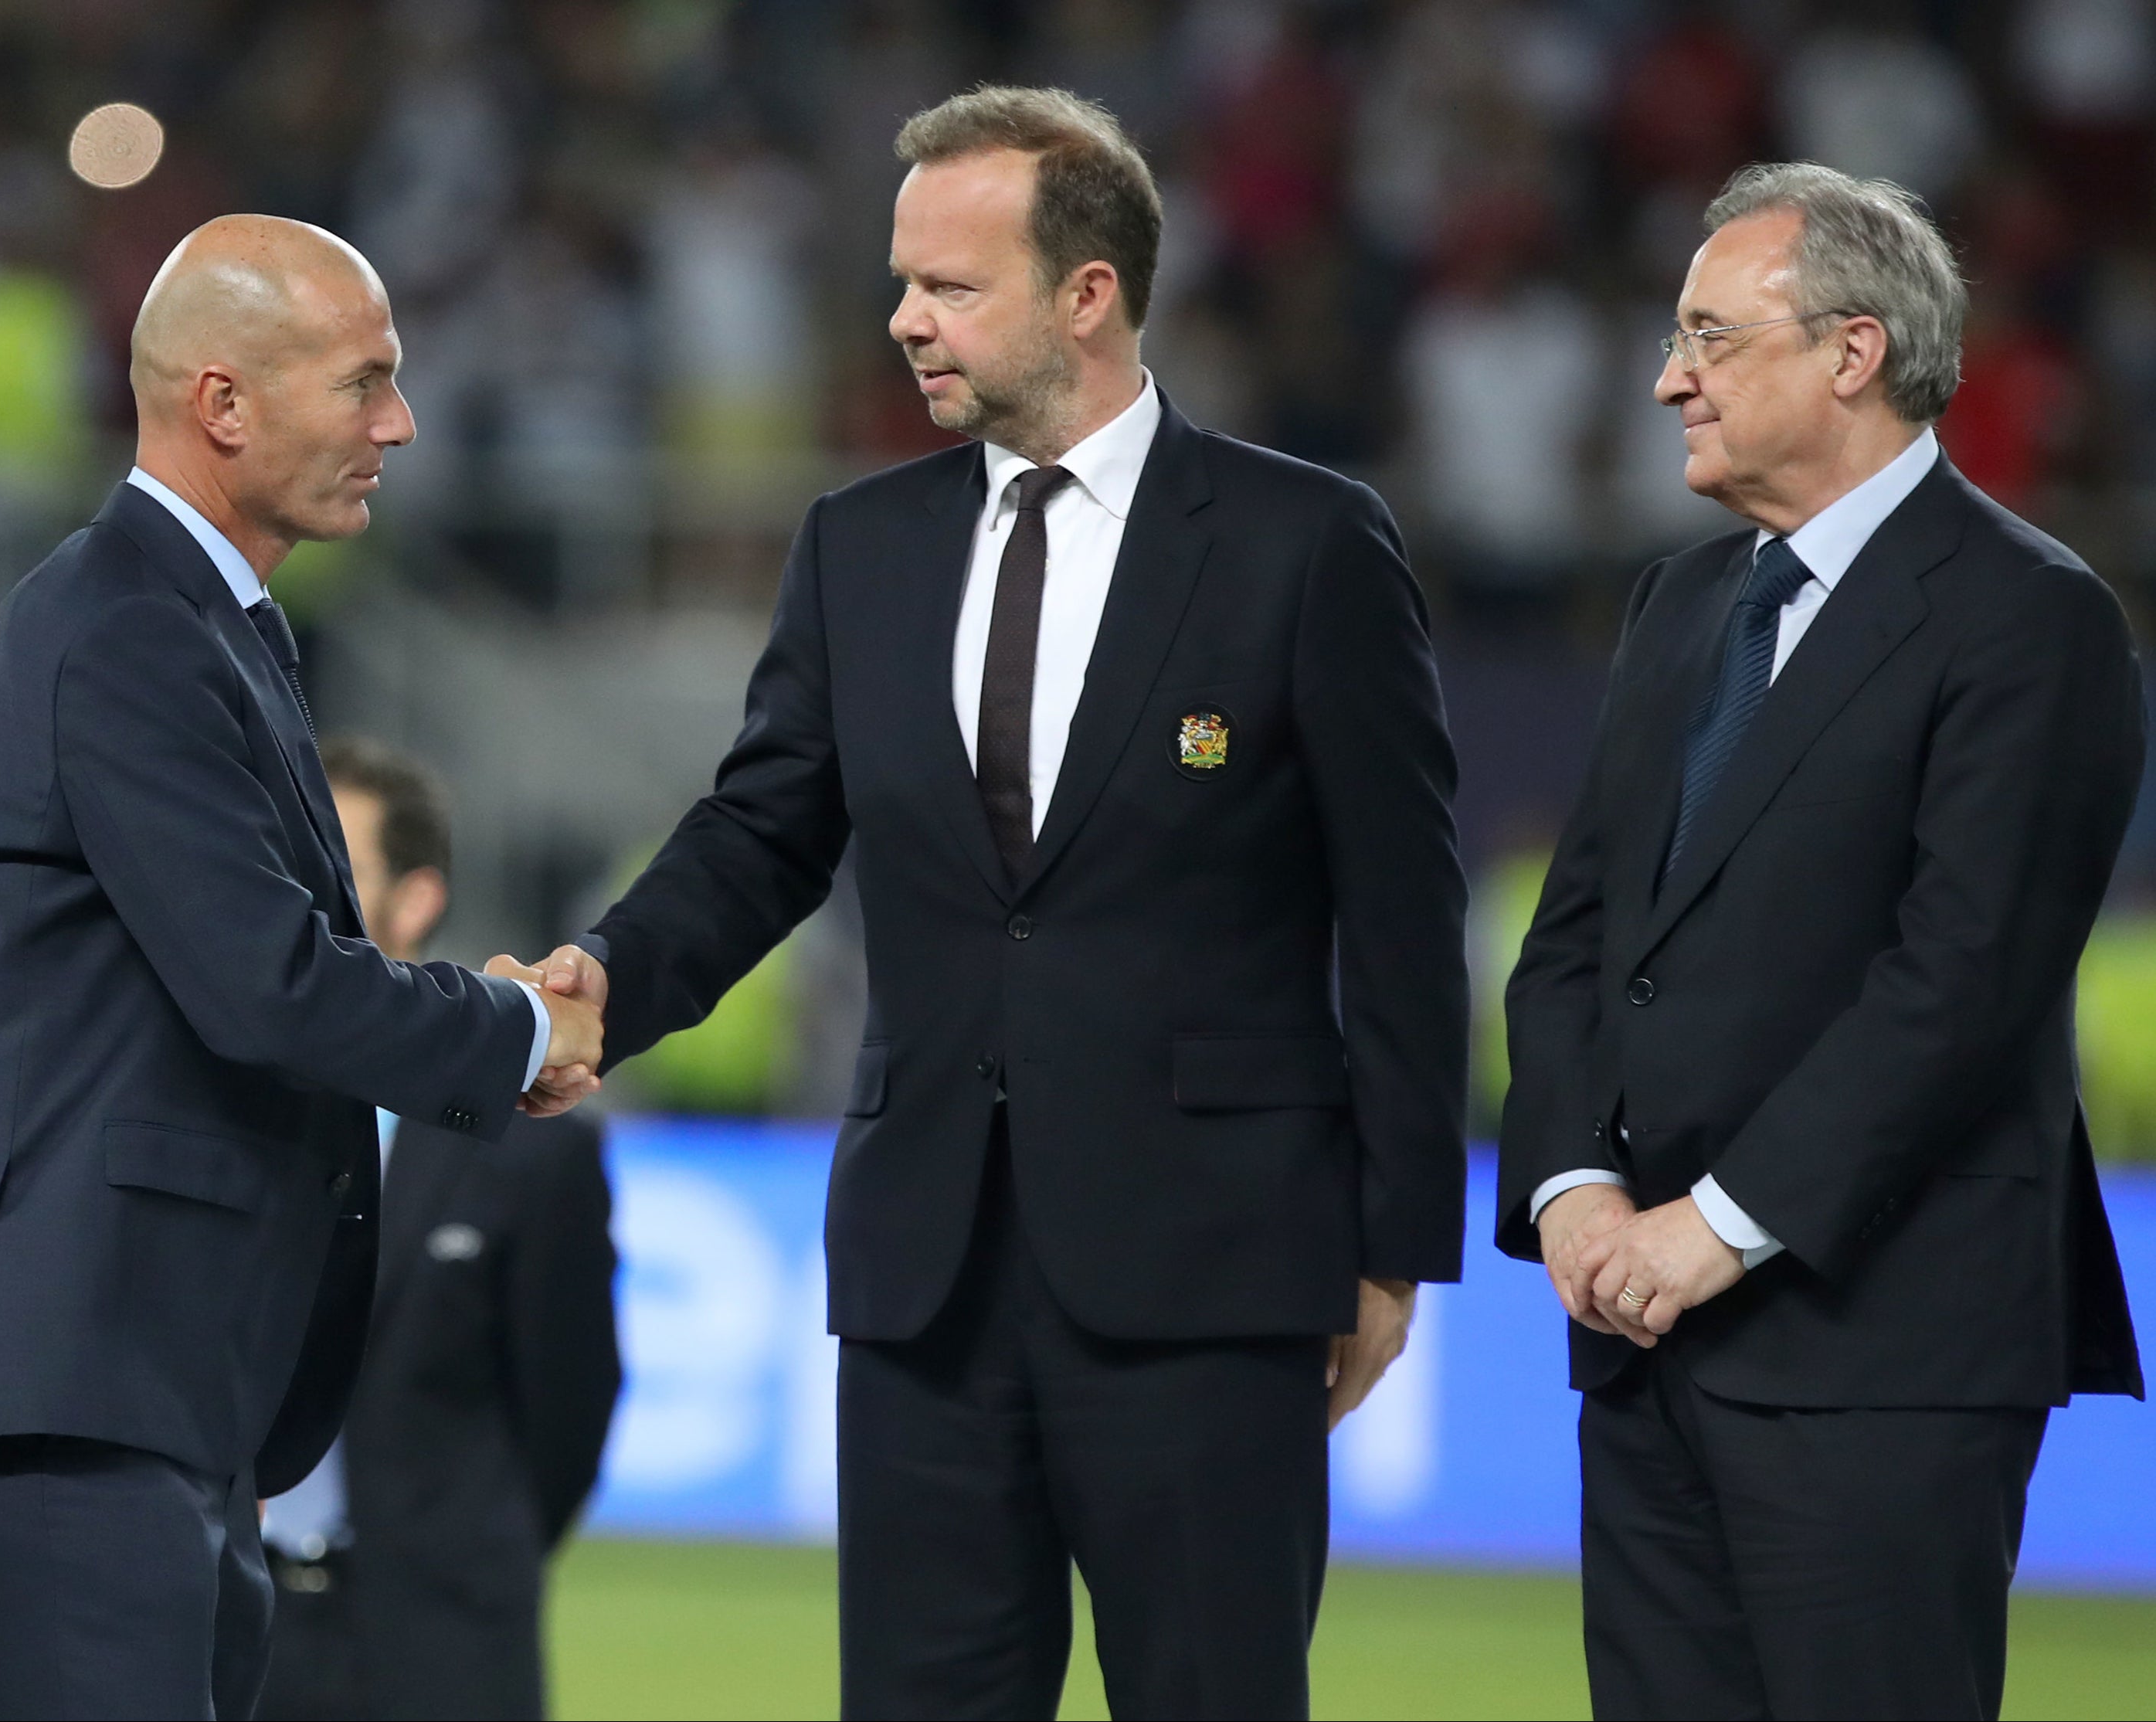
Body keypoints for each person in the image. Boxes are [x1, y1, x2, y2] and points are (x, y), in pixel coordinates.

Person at [495, 87, 1469, 1720]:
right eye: (900, 282)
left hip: (1211, 1279)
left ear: (1088, 293)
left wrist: (1394, 1246)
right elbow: (760, 832)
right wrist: (603, 977)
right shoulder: (855, 546)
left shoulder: (1307, 543)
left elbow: (1403, 909)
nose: (903, 321)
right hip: (926, 1285)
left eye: (948, 286)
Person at [0, 215, 603, 1722]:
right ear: (224, 404)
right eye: (364, 382)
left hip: (156, 1377)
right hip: (71, 1377)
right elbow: (271, 984)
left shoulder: (211, 624)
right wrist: (518, 1028)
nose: (398, 423)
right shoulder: (125, 624)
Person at [1498, 161, 2145, 1720]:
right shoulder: (1679, 603)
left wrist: (1709, 1227)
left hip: (1882, 1346)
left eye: (1711, 338)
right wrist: (1580, 1188)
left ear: (1851, 353)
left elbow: (1962, 981)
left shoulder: (2029, 618)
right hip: (1639, 1342)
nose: (1668, 380)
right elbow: (1578, 934)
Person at [256, 737, 622, 1722]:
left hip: (442, 1643)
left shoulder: (530, 1139)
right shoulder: (213, 1112)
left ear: (416, 901)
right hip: (231, 1626)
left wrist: (464, 1553)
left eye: (334, 868)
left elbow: (570, 1403)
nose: (298, 894)